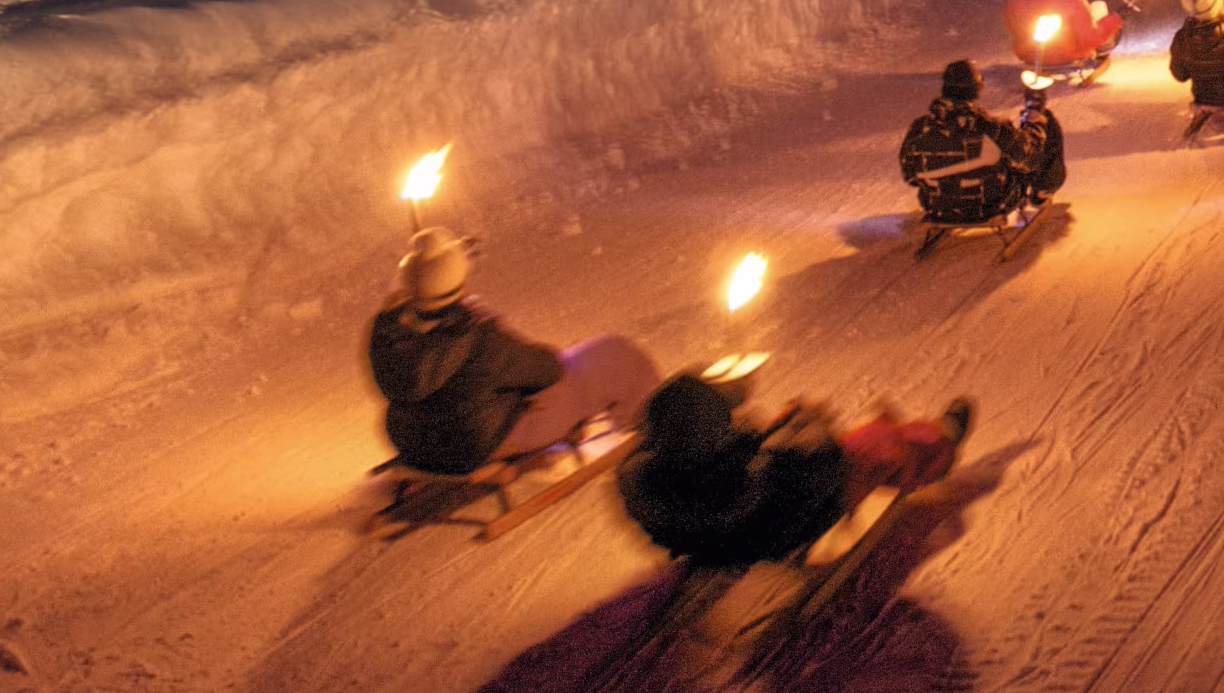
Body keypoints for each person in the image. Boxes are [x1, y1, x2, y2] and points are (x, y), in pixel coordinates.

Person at [367, 227, 663, 475]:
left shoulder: (388, 331)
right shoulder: (475, 336)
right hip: (475, 443)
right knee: (609, 355)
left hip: (414, 442)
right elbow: (546, 370)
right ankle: (655, 426)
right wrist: (488, 328)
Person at [618, 370, 972, 568]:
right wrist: (804, 430)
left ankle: (922, 439)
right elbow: (788, 469)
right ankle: (939, 441)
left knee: (852, 443)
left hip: (736, 531)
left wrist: (774, 432)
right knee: (876, 448)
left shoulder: (652, 473)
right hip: (784, 523)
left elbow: (738, 458)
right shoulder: (727, 484)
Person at [900, 59, 1051, 226]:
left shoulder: (920, 128)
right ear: (976, 90)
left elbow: (910, 176)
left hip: (938, 208)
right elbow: (1031, 159)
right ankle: (1043, 192)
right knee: (1027, 150)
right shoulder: (990, 127)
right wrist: (1034, 122)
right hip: (989, 207)